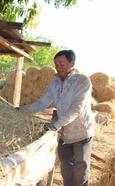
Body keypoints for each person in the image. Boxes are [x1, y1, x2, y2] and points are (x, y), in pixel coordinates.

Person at [20, 50, 95, 186]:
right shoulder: (54, 84)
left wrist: (57, 124)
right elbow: (41, 104)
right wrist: (22, 110)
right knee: (66, 171)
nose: (58, 67)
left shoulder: (82, 81)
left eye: (62, 63)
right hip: (65, 135)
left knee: (81, 172)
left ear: (72, 63)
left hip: (81, 134)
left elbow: (77, 107)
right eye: (56, 64)